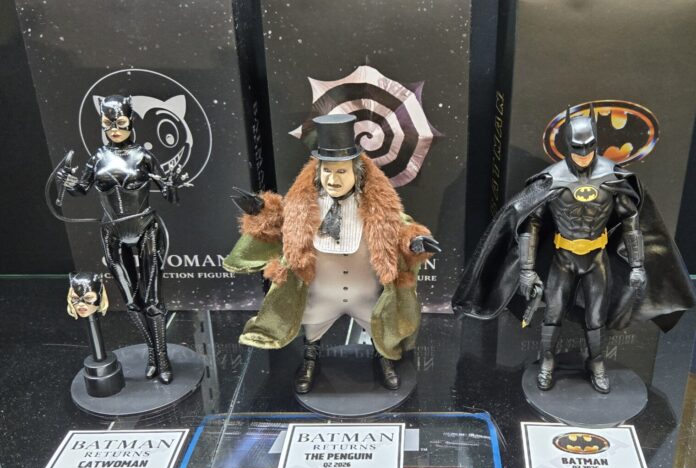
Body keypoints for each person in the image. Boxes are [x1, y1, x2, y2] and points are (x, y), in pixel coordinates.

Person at [453, 106, 695, 393]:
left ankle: (596, 362)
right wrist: (527, 270)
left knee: (596, 318)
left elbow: (632, 222)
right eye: (577, 148)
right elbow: (530, 223)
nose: (583, 154)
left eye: (589, 147)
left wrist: (638, 265)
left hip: (597, 258)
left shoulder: (612, 177)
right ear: (568, 146)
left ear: (596, 143)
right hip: (563, 258)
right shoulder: (551, 179)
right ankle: (547, 360)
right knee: (553, 314)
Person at [224, 114, 440, 393]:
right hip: (321, 294)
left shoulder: (377, 209)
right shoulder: (303, 207)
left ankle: (384, 357)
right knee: (312, 328)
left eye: (341, 172)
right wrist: (259, 211)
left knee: (380, 328)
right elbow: (277, 225)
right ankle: (310, 357)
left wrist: (416, 242)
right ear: (318, 172)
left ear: (357, 173)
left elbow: (402, 229)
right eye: (327, 171)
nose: (333, 179)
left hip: (366, 295)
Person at [56, 95, 187, 384]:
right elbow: (81, 189)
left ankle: (162, 358)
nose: (114, 128)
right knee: (131, 300)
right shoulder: (98, 157)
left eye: (120, 121)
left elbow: (170, 195)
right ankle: (152, 353)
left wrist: (172, 184)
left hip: (146, 228)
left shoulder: (144, 156)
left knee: (153, 300)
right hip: (112, 232)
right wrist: (68, 181)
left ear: (131, 121)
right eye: (108, 122)